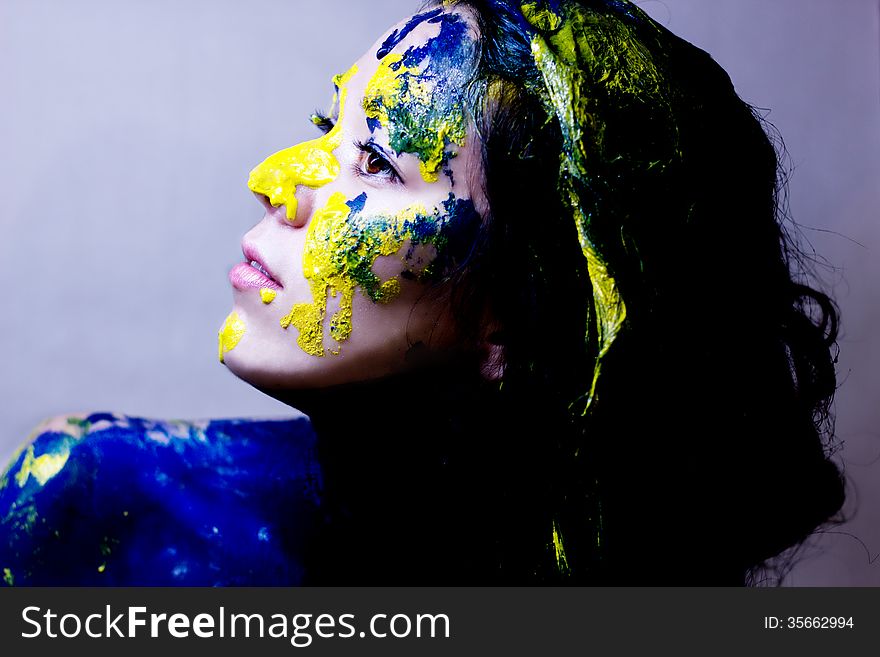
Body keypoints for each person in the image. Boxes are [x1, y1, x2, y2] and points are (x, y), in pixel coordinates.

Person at [0, 0, 845, 585]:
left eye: (374, 162)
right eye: (327, 128)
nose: (273, 181)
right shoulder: (94, 503)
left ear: (519, 310)